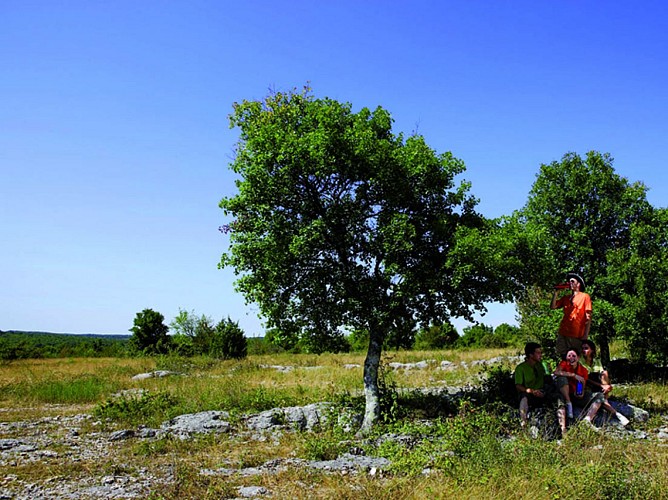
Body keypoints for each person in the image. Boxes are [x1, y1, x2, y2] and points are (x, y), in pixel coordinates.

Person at [554, 348, 605, 436]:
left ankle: (587, 419)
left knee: (599, 396)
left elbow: (582, 385)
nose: (571, 358)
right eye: (569, 356)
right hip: (564, 394)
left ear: (578, 358)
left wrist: (580, 393)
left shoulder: (583, 370)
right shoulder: (564, 364)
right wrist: (573, 375)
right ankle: (563, 428)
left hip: (575, 394)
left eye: (574, 356)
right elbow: (556, 372)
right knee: (562, 379)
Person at [580, 339, 629, 426]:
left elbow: (602, 373)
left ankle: (605, 396)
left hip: (596, 382)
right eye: (583, 348)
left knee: (604, 373)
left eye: (586, 348)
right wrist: (601, 385)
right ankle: (616, 414)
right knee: (599, 397)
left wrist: (607, 386)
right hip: (585, 384)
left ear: (592, 350)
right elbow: (585, 378)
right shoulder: (580, 361)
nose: (584, 350)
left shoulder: (596, 361)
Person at [551, 271, 592, 359]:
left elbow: (588, 317)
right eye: (569, 281)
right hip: (563, 332)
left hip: (576, 334)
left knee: (575, 357)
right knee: (563, 356)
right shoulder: (566, 298)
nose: (570, 283)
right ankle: (565, 372)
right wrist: (556, 293)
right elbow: (553, 306)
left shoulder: (585, 296)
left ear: (579, 284)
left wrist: (585, 335)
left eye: (572, 281)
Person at [515, 342, 553, 428]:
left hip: (542, 391)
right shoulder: (521, 368)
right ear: (531, 355)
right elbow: (518, 386)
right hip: (530, 393)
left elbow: (547, 378)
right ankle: (523, 421)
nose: (541, 355)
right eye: (538, 353)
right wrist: (531, 391)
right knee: (524, 397)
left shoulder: (540, 365)